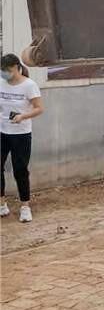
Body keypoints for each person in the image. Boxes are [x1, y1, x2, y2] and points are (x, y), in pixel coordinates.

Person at [0, 53, 43, 223]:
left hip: (21, 134)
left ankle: (25, 206)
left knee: (20, 170)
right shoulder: (1, 82)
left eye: (8, 70)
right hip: (2, 132)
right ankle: (2, 204)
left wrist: (23, 116)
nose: (5, 74)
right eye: (2, 70)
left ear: (17, 68)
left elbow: (39, 108)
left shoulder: (29, 85)